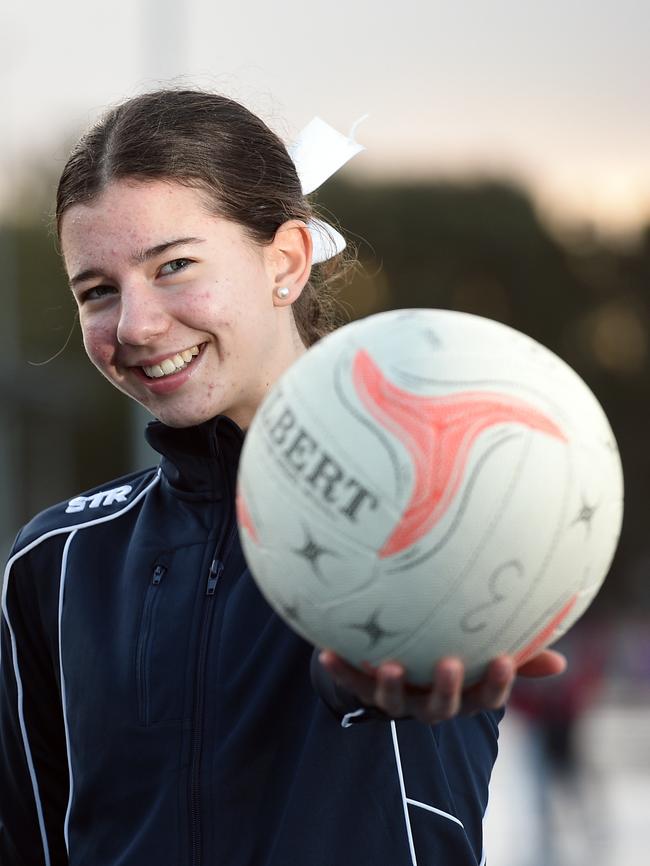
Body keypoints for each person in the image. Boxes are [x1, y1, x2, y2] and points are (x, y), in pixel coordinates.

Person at [0, 88, 565, 866]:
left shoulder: (428, 501)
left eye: (175, 266)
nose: (135, 325)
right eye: (98, 291)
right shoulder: (55, 562)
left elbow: (407, 643)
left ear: (287, 261)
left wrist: (379, 679)